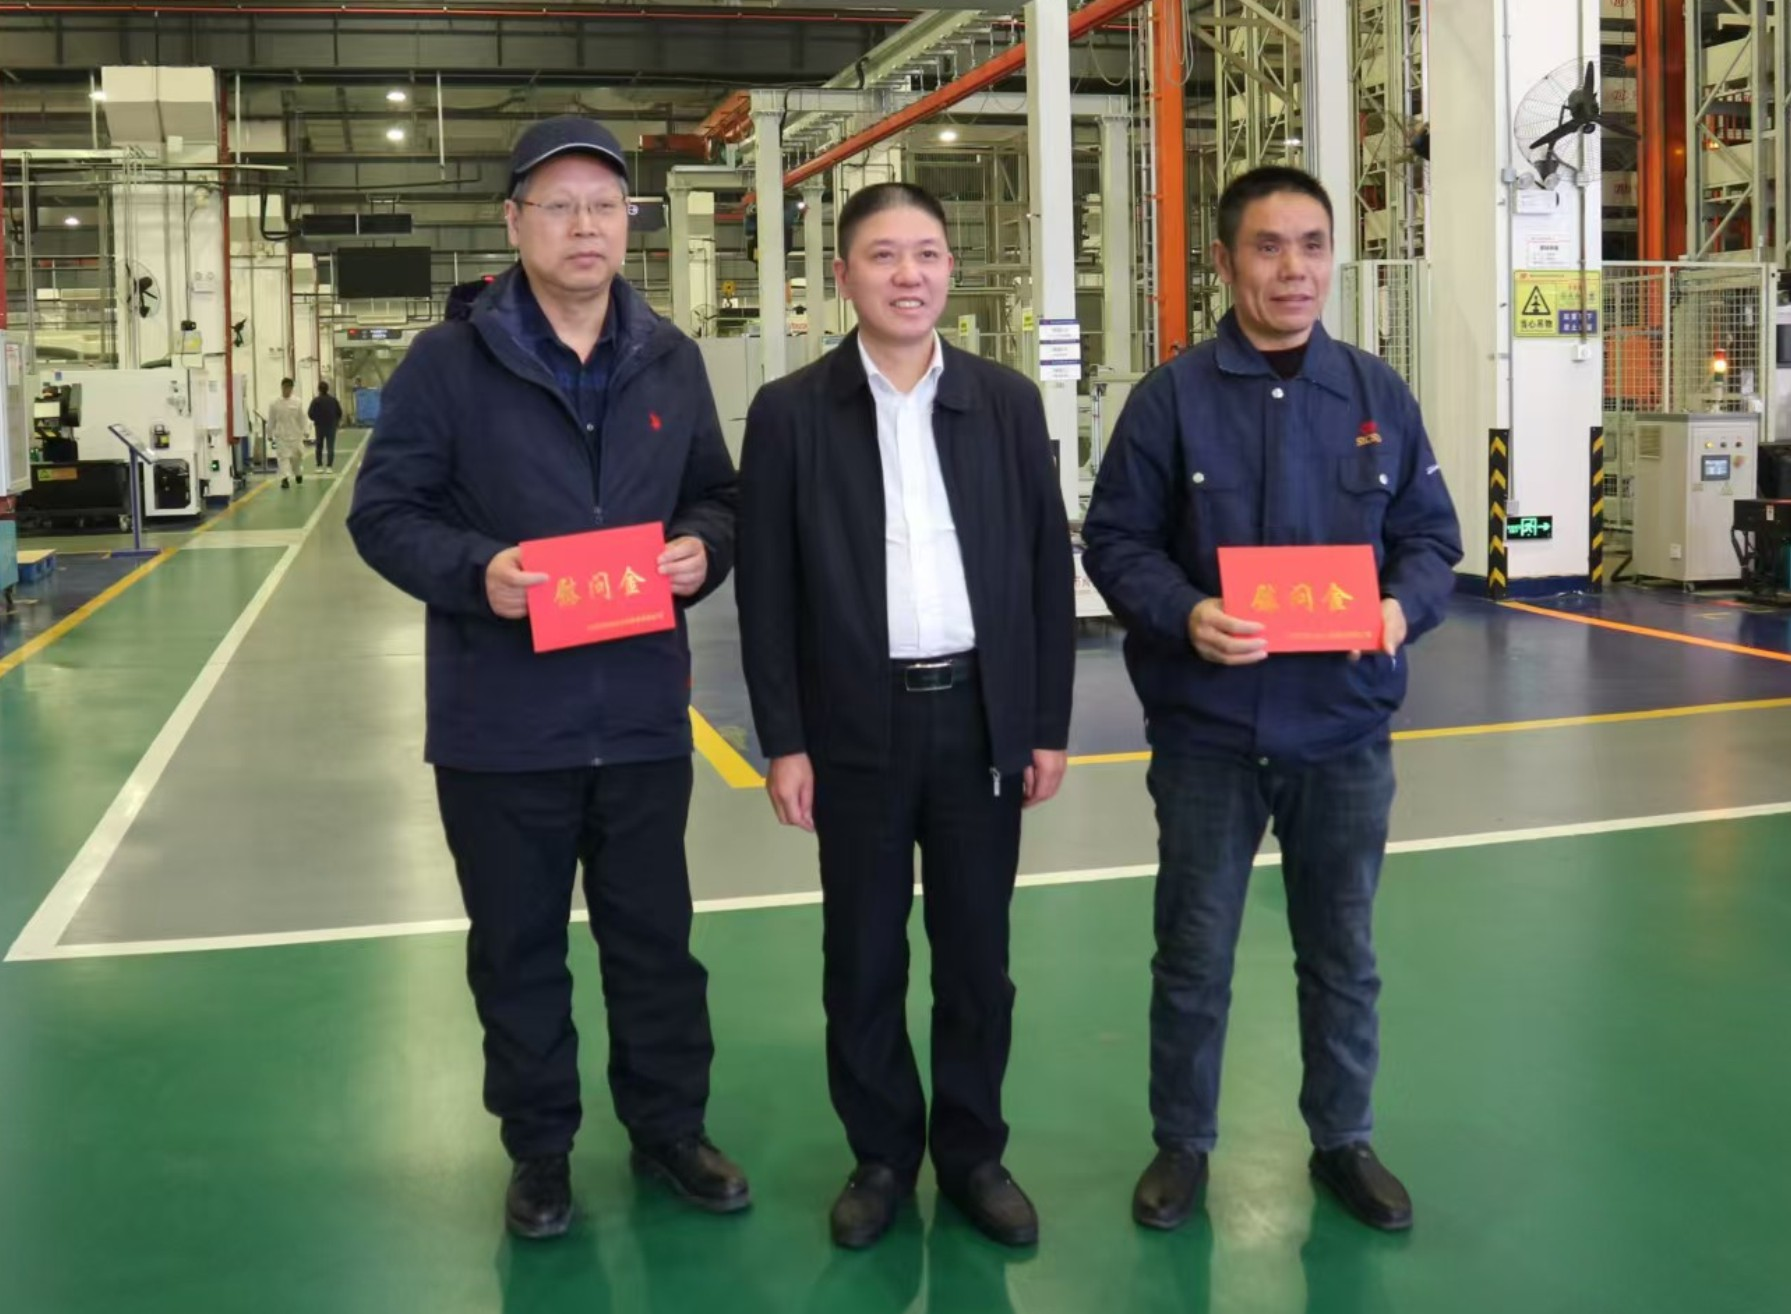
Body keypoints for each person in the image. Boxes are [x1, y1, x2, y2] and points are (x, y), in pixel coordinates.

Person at [347, 115, 747, 1240]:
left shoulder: (670, 358)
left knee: (654, 944)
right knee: (517, 949)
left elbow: (718, 495)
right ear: (515, 223)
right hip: (501, 723)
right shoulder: (448, 365)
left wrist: (703, 549)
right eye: (559, 205)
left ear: (630, 224)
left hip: (640, 717)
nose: (585, 226)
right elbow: (384, 514)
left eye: (605, 206)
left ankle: (670, 1129)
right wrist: (479, 574)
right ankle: (539, 1149)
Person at [1080, 166, 1462, 1234]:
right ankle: (1182, 1143)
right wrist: (1186, 612)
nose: (1293, 269)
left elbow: (1431, 540)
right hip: (1209, 733)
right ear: (1224, 261)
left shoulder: (1377, 397)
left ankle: (1343, 1141)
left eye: (1311, 245)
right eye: (1267, 246)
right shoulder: (1170, 400)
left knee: (1341, 954)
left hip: (1341, 732)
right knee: (1193, 951)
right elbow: (1115, 541)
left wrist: (1401, 608)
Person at [736, 181, 1076, 1251]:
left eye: (927, 253)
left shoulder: (1004, 403)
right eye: (883, 256)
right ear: (843, 276)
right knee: (863, 956)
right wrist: (784, 741)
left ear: (950, 271)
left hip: (977, 718)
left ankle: (973, 1156)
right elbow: (766, 595)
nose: (909, 275)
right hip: (856, 727)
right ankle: (881, 1155)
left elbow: (1044, 570)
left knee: (978, 959)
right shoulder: (790, 413)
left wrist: (1044, 723)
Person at [267, 377, 307, 489]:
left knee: (297, 457)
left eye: (289, 388)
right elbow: (271, 420)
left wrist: (306, 430)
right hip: (281, 436)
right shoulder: (275, 403)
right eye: (285, 388)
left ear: (292, 389)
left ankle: (298, 473)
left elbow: (302, 418)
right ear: (282, 388)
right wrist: (269, 434)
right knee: (283, 458)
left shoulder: (297, 402)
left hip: (295, 435)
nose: (287, 390)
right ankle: (285, 479)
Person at [308, 381, 344, 473]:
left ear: (319, 389)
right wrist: (335, 421)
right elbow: (339, 412)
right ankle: (329, 467)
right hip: (331, 426)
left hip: (319, 426)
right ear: (327, 389)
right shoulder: (333, 400)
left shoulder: (316, 401)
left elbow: (310, 413)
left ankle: (319, 466)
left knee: (319, 446)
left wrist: (316, 419)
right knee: (330, 446)